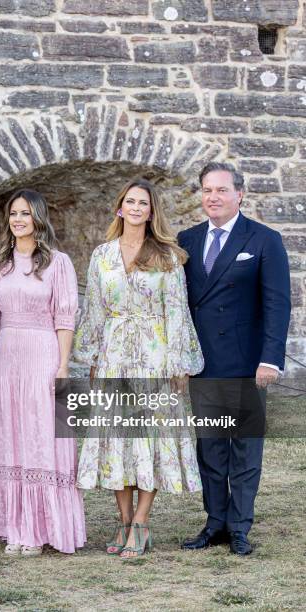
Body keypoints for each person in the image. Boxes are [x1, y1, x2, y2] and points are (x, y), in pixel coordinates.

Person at [73, 178, 204, 559]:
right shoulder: (102, 255)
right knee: (118, 437)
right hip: (114, 355)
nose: (135, 208)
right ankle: (123, 519)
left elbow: (177, 311)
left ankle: (142, 522)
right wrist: (92, 356)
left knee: (150, 436)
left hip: (155, 354)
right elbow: (94, 308)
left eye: (142, 203)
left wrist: (179, 363)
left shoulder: (167, 255)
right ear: (119, 207)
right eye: (129, 201)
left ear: (151, 211)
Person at [178, 162, 291, 555]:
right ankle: (216, 523)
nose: (213, 197)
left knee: (244, 449)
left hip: (247, 364)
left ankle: (240, 527)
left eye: (221, 190)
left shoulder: (263, 239)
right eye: (207, 190)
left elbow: (278, 304)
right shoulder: (187, 240)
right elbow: (180, 305)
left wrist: (271, 359)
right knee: (210, 448)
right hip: (203, 364)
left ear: (239, 194)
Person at [0, 189, 86, 556]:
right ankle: (15, 527)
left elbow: (65, 317)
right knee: (11, 435)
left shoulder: (58, 262)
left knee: (43, 436)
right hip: (8, 355)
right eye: (13, 213)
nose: (18, 219)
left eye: (25, 213)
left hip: (43, 355)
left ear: (38, 217)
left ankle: (43, 529)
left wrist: (63, 366)